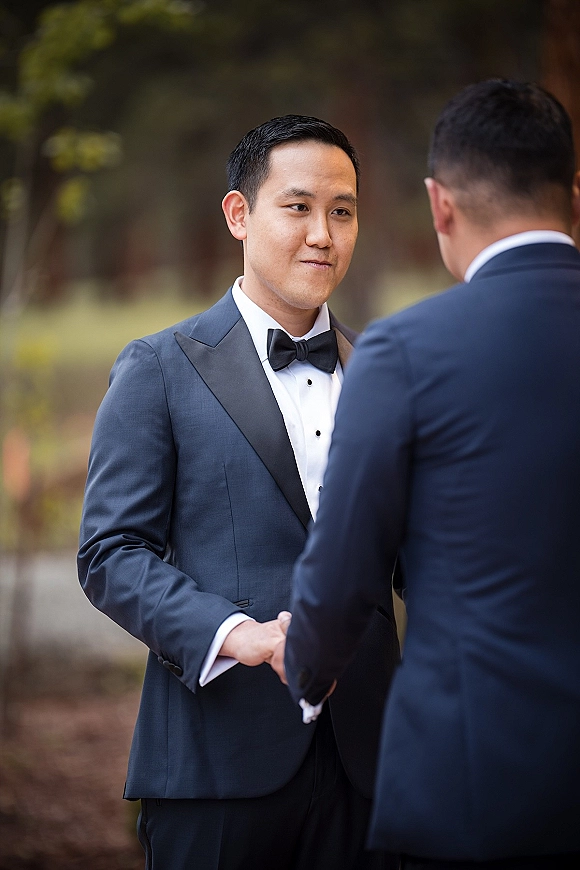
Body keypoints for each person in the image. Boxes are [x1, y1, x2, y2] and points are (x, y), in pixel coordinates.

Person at [78, 115, 399, 870]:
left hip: (373, 769)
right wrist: (238, 634)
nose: (323, 233)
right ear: (239, 214)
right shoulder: (157, 367)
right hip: (215, 767)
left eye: (342, 211)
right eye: (298, 207)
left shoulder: (389, 373)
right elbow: (110, 553)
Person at [278, 81, 580, 868]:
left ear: (440, 205)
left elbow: (345, 566)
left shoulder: (409, 350)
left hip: (473, 790)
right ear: (574, 195)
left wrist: (308, 670)